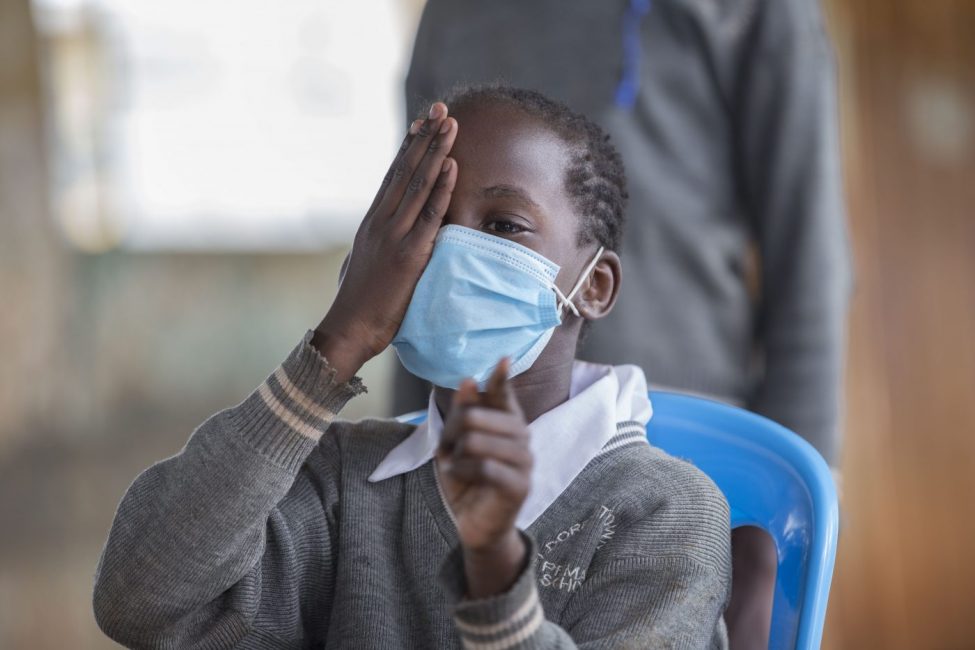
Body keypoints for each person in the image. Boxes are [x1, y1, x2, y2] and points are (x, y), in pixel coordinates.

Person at [93, 86, 732, 648]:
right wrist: (339, 341)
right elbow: (141, 602)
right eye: (423, 224)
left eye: (504, 225)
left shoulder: (664, 512)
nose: (450, 252)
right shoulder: (347, 480)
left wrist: (495, 569)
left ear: (594, 285)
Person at [396, 1, 853, 646]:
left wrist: (780, 525)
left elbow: (806, 253)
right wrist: (405, 440)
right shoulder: (454, 12)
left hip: (685, 439)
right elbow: (420, 234)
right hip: (471, 450)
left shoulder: (752, 12)